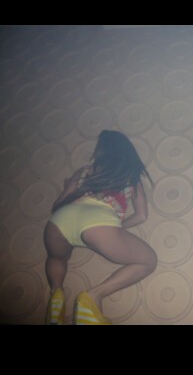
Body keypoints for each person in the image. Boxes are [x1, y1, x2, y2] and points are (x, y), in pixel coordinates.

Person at [44, 130, 157, 325]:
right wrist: (116, 227)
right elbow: (141, 215)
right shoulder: (130, 175)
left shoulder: (85, 170)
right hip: (98, 219)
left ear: (102, 150)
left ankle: (56, 293)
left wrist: (67, 186)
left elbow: (57, 206)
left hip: (59, 221)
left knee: (57, 257)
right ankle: (93, 297)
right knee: (148, 261)